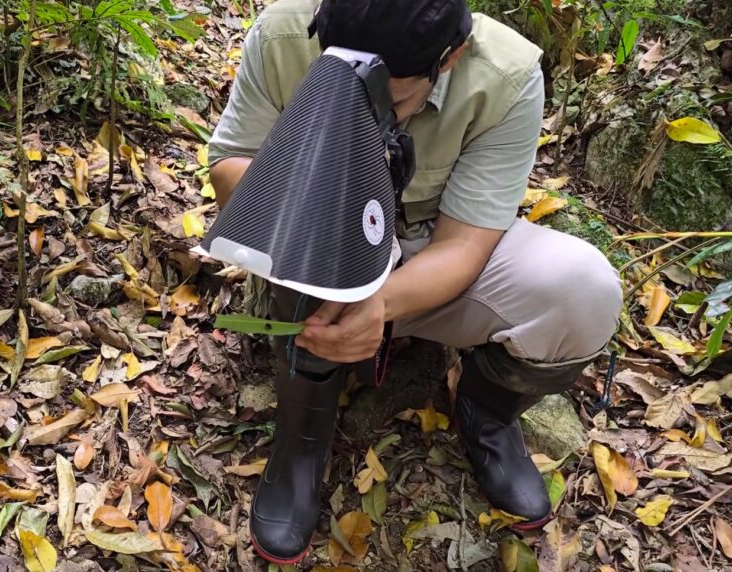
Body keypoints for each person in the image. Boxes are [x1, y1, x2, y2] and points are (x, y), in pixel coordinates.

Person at [206, 0, 623, 565]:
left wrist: (380, 302)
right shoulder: (283, 33)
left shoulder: (507, 76)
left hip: (429, 251)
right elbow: (230, 169)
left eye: (391, 95)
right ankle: (302, 440)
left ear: (448, 59)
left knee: (584, 290)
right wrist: (312, 175)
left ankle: (486, 412)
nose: (367, 106)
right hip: (304, 246)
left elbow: (466, 243)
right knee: (315, 258)